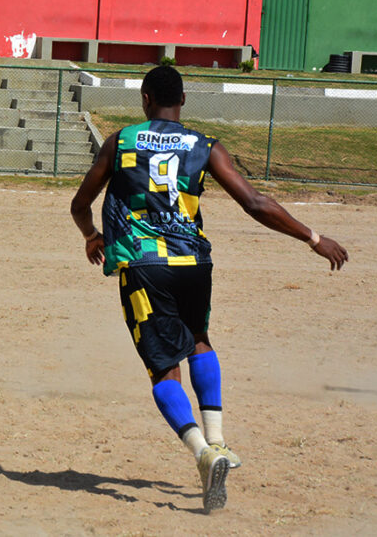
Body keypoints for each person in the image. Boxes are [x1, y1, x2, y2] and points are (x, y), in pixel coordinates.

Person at [69, 65, 348, 514]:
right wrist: (313, 238)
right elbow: (255, 202)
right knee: (199, 340)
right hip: (194, 264)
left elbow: (80, 203)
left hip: (144, 265)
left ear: (145, 99)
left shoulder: (120, 142)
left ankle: (203, 452)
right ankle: (218, 439)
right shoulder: (205, 145)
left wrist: (90, 235)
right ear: (183, 101)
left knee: (163, 368)